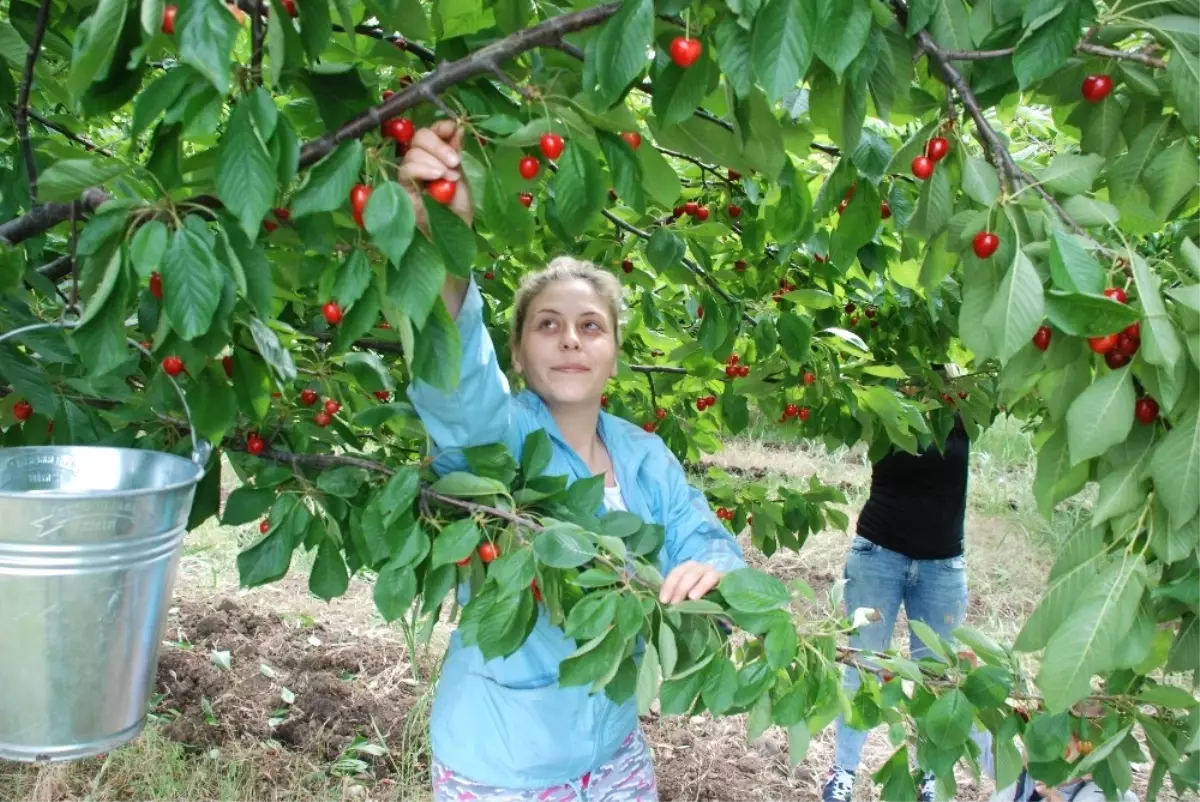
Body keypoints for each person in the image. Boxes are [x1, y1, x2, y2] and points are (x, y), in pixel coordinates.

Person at [399, 121, 746, 802]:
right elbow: (457, 385)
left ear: (613, 355)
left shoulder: (644, 456)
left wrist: (718, 571)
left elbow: (700, 536)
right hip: (501, 764)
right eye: (547, 325)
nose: (569, 340)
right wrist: (446, 247)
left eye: (591, 326)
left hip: (613, 756)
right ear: (520, 355)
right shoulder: (499, 439)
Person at [821, 375, 984, 802]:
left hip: (942, 567)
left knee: (937, 676)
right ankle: (844, 775)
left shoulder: (967, 404)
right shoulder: (883, 396)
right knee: (863, 663)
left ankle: (928, 774)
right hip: (878, 557)